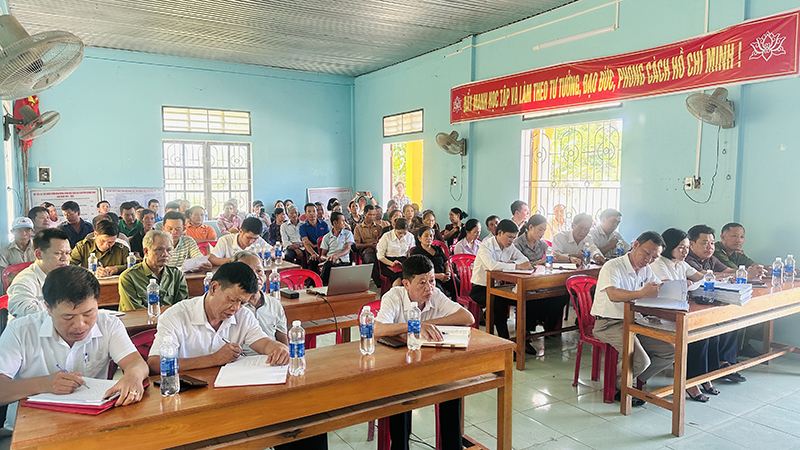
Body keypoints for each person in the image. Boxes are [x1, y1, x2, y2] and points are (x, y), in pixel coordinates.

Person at [0, 265, 149, 430]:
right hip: (29, 430)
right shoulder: (20, 331)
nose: (80, 325)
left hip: (92, 426)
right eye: (68, 317)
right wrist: (44, 384)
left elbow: (136, 362)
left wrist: (133, 377)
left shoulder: (108, 324)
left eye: (88, 313)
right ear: (48, 308)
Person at [374, 255, 473, 450]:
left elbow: (467, 317)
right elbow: (378, 329)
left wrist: (428, 323)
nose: (429, 288)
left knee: (451, 389)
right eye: (422, 283)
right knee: (400, 396)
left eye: (432, 280)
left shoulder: (435, 295)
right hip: (398, 367)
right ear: (406, 284)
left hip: (428, 365)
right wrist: (414, 325)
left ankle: (452, 446)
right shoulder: (393, 296)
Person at [590, 231, 674, 406]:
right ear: (636, 245)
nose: (648, 260)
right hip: (609, 323)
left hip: (635, 321)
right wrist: (642, 293)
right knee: (640, 360)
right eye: (646, 253)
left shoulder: (646, 270)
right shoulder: (613, 266)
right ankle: (617, 386)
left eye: (654, 257)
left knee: (670, 351)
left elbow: (657, 289)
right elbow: (613, 294)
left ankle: (631, 380)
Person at [650, 228, 726, 402]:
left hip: (680, 309)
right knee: (697, 336)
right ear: (669, 246)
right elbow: (670, 287)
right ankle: (690, 382)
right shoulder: (659, 263)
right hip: (661, 314)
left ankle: (705, 376)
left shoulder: (681, 263)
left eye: (686, 247)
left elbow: (701, 276)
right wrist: (689, 283)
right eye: (681, 247)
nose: (685, 251)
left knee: (712, 332)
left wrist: (713, 278)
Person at [685, 224, 751, 383]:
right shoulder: (687, 259)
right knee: (713, 325)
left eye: (712, 243)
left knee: (730, 319)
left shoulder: (710, 258)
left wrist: (746, 272)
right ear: (691, 244)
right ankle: (712, 368)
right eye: (704, 243)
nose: (710, 247)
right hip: (691, 307)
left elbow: (727, 270)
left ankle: (724, 362)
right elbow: (704, 275)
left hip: (708, 302)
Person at [513, 215, 577, 339]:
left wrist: (569, 259)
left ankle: (549, 327)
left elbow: (553, 254)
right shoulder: (518, 244)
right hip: (524, 282)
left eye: (544, 230)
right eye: (540, 229)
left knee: (562, 294)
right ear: (530, 227)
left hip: (540, 280)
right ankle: (527, 332)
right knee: (531, 298)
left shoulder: (540, 243)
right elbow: (521, 266)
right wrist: (540, 262)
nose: (542, 233)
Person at [470, 219, 532, 339]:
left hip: (498, 287)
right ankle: (505, 340)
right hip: (480, 288)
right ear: (500, 233)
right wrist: (516, 266)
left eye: (514, 238)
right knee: (499, 304)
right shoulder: (486, 246)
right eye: (509, 237)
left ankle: (524, 338)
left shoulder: (510, 247)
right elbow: (492, 266)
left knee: (525, 299)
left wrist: (510, 263)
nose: (511, 241)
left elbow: (524, 260)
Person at [118, 230, 188, 312]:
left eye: (169, 250)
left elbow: (182, 307)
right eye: (159, 249)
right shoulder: (129, 277)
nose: (165, 254)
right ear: (146, 251)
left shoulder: (176, 275)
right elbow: (136, 311)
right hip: (140, 319)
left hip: (170, 319)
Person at [7, 229, 70, 318]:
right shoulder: (24, 282)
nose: (64, 258)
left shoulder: (67, 277)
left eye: (68, 253)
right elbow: (29, 316)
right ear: (39, 254)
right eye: (58, 253)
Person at [233, 251, 288, 347]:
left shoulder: (274, 303)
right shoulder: (232, 307)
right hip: (241, 355)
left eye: (259, 271)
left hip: (270, 354)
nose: (256, 277)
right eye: (249, 273)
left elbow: (282, 339)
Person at [410, 226, 455, 297]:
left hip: (444, 276)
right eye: (426, 236)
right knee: (439, 293)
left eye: (431, 236)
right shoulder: (416, 252)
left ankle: (456, 302)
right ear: (419, 238)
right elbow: (418, 271)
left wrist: (447, 273)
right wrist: (437, 276)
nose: (429, 238)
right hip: (429, 279)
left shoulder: (438, 249)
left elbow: (446, 263)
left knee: (458, 286)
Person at [0, 218, 35, 292]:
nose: (23, 233)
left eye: (27, 230)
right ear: (12, 232)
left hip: (36, 286)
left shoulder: (39, 248)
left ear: (32, 232)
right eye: (19, 230)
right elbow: (3, 275)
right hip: (14, 288)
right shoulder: (4, 251)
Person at [377, 218, 415, 287]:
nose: (402, 235)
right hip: (388, 262)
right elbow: (380, 256)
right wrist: (392, 263)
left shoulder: (410, 237)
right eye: (399, 233)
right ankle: (395, 292)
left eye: (405, 233)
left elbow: (411, 254)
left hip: (403, 262)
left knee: (412, 276)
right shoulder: (386, 236)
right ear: (394, 228)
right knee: (398, 277)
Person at [319, 211, 355, 284]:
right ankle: (323, 285)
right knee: (328, 264)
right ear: (335, 223)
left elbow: (348, 249)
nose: (344, 223)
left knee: (328, 267)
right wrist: (329, 258)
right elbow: (322, 255)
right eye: (342, 221)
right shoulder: (327, 237)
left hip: (343, 261)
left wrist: (336, 255)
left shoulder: (347, 234)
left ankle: (321, 284)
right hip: (330, 261)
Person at [353, 205, 382, 285]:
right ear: (365, 214)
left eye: (374, 215)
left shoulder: (379, 227)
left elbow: (381, 242)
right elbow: (357, 245)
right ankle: (379, 283)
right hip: (365, 249)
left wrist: (373, 247)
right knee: (369, 260)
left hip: (378, 248)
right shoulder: (358, 228)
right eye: (370, 215)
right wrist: (370, 245)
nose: (372, 217)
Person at [299, 202, 329, 271]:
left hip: (325, 250)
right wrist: (314, 253)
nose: (312, 213)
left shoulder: (324, 224)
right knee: (314, 260)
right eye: (309, 211)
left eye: (314, 211)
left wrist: (314, 245)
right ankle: (313, 278)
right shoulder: (303, 227)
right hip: (312, 252)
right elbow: (306, 243)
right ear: (305, 213)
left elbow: (327, 240)